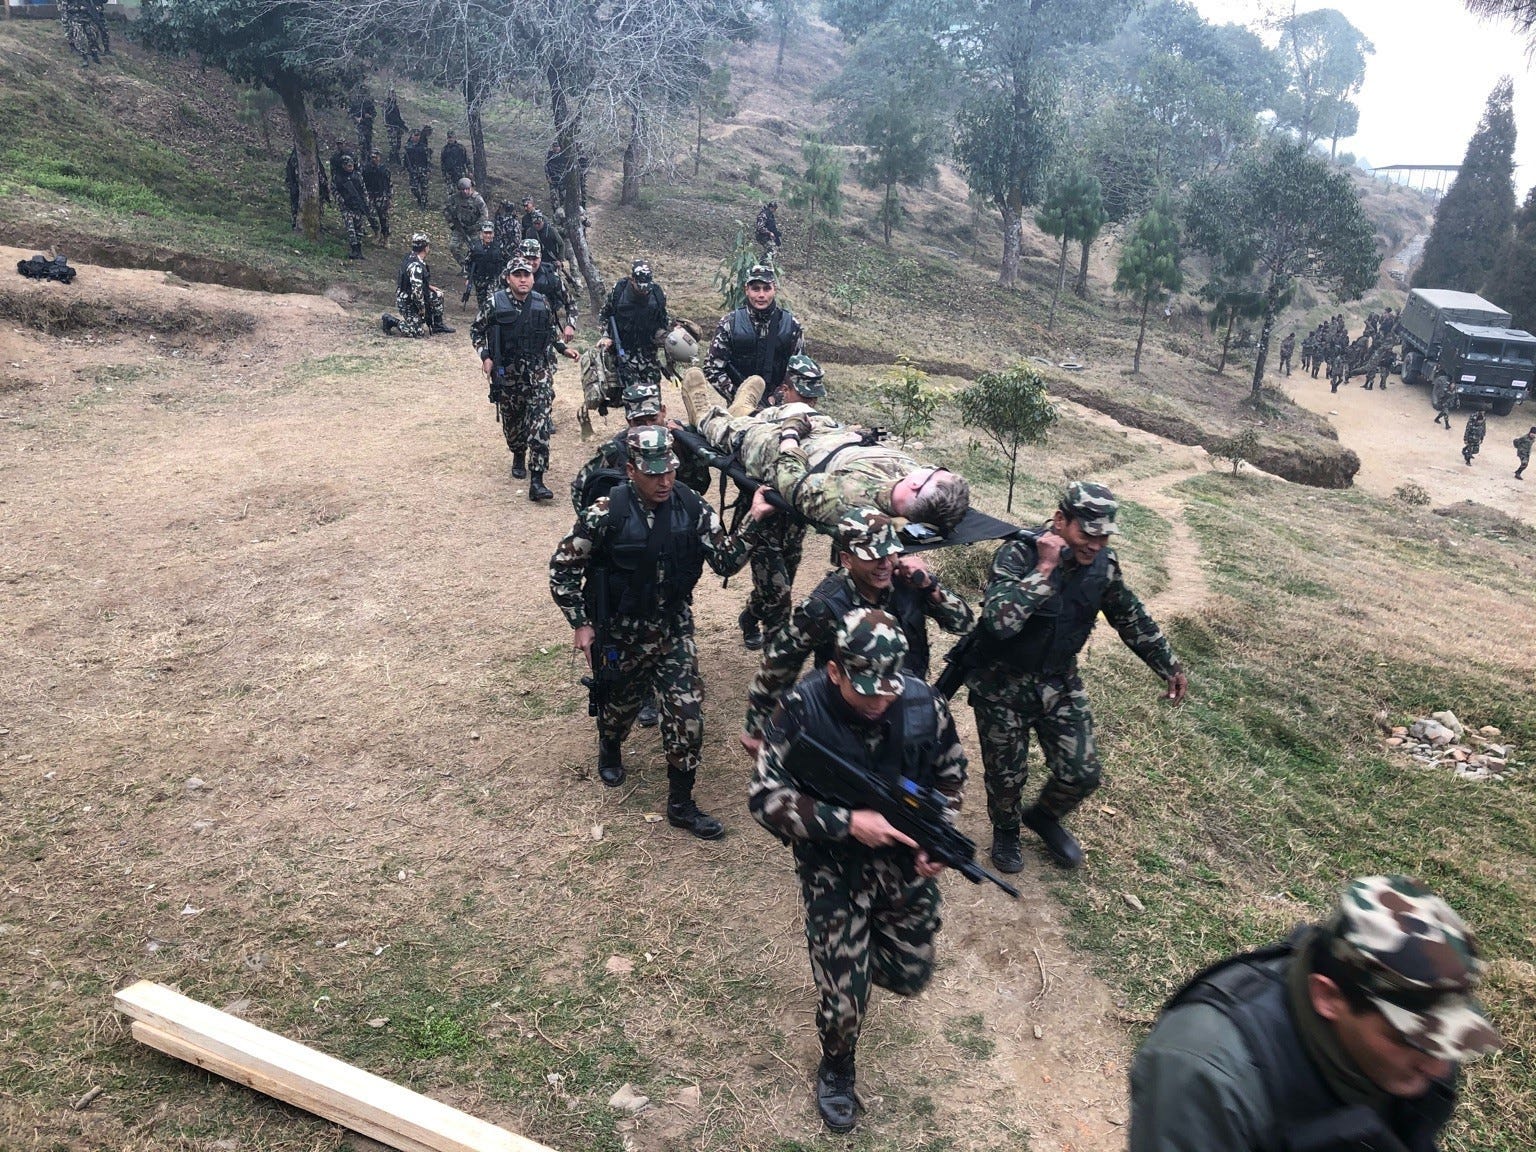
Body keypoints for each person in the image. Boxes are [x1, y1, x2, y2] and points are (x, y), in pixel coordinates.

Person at [750, 607, 967, 1133]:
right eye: (864, 688)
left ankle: (858, 960)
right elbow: (764, 799)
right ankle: (838, 1066)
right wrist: (845, 822)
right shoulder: (800, 709)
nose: (877, 702)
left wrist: (935, 842)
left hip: (900, 867)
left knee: (911, 974)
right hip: (833, 867)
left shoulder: (925, 706)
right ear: (834, 671)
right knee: (846, 997)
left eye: (887, 689)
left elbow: (950, 779)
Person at [1129, 875, 1502, 1152]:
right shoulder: (1204, 1072)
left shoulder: (1420, 1055)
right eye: (1409, 1038)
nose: (1439, 1068)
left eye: (1445, 1039)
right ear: (1327, 997)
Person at [550, 427, 776, 838]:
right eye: (653, 474)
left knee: (687, 717)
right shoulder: (606, 512)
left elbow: (726, 562)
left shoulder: (692, 507)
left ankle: (681, 803)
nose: (665, 481)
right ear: (631, 469)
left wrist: (754, 521)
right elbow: (562, 568)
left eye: (669, 471)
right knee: (618, 707)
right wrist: (581, 623)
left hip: (674, 631)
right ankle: (611, 743)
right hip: (619, 633)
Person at [965, 482, 1185, 873]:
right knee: (1006, 776)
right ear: (1061, 521)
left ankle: (1044, 817)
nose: (1095, 544)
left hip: (1058, 683)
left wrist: (1167, 664)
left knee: (1082, 772)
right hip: (1001, 685)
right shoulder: (1018, 554)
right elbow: (998, 623)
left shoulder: (1103, 565)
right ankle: (1007, 830)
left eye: (1103, 536)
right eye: (1087, 533)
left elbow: (1129, 615)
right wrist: (1045, 569)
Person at [742, 508, 973, 754]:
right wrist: (756, 728)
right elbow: (779, 664)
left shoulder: (908, 583)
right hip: (848, 717)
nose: (884, 564)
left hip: (903, 707)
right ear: (846, 559)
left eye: (889, 553)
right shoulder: (824, 607)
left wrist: (931, 587)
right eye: (872, 557)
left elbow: (963, 623)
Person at [568, 382, 710, 732]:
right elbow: (581, 487)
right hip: (623, 591)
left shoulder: (681, 444)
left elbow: (701, 484)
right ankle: (619, 728)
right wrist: (604, 531)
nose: (648, 424)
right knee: (618, 696)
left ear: (664, 413)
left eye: (653, 416)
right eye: (639, 419)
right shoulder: (614, 452)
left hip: (667, 582)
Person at [679, 370, 971, 535]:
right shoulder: (910, 480)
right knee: (803, 410)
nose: (930, 465)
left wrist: (790, 437)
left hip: (795, 453)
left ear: (918, 485)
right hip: (832, 438)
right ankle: (745, 409)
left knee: (749, 435)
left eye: (934, 470)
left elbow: (795, 487)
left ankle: (706, 415)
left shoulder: (852, 500)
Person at [728, 350, 817, 652]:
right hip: (763, 521)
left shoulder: (814, 426)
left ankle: (750, 616)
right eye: (803, 397)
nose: (810, 405)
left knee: (778, 589)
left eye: (814, 400)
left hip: (793, 526)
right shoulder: (765, 423)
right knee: (780, 600)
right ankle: (775, 672)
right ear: (785, 390)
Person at [470, 256, 579, 500]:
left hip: (538, 374)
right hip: (507, 375)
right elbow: (476, 331)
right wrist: (485, 356)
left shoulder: (542, 303)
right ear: (508, 278)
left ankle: (538, 480)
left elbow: (551, 332)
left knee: (540, 425)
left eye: (527, 275)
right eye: (517, 275)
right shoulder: (494, 303)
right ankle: (518, 453)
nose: (523, 279)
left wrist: (564, 349)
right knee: (513, 425)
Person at [703, 264, 805, 407]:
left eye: (766, 288)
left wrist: (776, 398)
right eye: (755, 289)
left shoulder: (791, 326)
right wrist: (738, 396)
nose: (761, 295)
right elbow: (712, 367)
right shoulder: (730, 323)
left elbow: (799, 371)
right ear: (747, 290)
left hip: (778, 409)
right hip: (739, 409)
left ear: (774, 289)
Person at [598, 261, 670, 389]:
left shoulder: (657, 294)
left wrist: (665, 336)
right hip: (624, 352)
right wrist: (605, 336)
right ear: (632, 280)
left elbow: (664, 321)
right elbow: (605, 315)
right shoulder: (619, 291)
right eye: (640, 287)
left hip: (649, 355)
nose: (644, 292)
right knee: (632, 395)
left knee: (652, 394)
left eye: (646, 289)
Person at [381, 233, 452, 338]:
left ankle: (438, 325)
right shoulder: (416, 265)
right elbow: (417, 293)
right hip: (408, 301)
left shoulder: (411, 257)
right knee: (417, 332)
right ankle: (391, 321)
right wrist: (422, 310)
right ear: (425, 247)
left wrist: (429, 287)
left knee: (437, 295)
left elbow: (415, 281)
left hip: (411, 295)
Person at [523, 238, 578, 343]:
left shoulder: (551, 277)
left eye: (534, 258)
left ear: (540, 258)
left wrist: (570, 325)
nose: (530, 263)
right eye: (527, 258)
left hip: (545, 334)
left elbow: (571, 304)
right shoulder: (508, 277)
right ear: (519, 257)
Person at [334, 154, 377, 261]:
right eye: (348, 165)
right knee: (350, 229)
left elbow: (363, 190)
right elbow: (334, 191)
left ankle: (359, 251)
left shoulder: (357, 176)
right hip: (347, 207)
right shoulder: (338, 177)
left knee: (359, 229)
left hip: (358, 206)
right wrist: (342, 200)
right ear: (343, 166)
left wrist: (366, 203)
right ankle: (353, 249)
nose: (350, 167)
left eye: (351, 165)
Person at [444, 177, 489, 274]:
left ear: (471, 188)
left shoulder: (477, 199)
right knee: (453, 247)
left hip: (474, 229)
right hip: (460, 228)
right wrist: (452, 224)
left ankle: (478, 270)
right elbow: (446, 209)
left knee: (477, 251)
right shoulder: (455, 198)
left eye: (467, 189)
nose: (465, 191)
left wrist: (475, 227)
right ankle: (465, 267)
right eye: (462, 189)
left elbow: (485, 216)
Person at [463, 222, 505, 313]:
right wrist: (468, 277)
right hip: (480, 280)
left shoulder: (499, 246)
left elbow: (504, 262)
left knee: (492, 300)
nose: (488, 235)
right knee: (482, 304)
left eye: (490, 233)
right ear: (481, 234)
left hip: (493, 279)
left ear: (493, 234)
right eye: (486, 233)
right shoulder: (475, 247)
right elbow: (468, 262)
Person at [361, 149, 393, 245]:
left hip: (382, 195)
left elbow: (389, 184)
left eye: (376, 157)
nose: (374, 159)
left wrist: (390, 197)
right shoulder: (366, 169)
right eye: (372, 157)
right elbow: (362, 182)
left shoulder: (384, 170)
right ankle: (376, 233)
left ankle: (386, 238)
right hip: (370, 195)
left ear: (379, 158)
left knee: (384, 217)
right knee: (370, 215)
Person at [404, 130, 432, 209]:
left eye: (418, 135)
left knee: (424, 188)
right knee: (414, 188)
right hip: (413, 171)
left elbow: (428, 159)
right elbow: (405, 159)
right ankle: (419, 199)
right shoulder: (408, 147)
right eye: (415, 135)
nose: (416, 137)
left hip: (423, 170)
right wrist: (406, 168)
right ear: (411, 136)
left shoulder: (423, 146)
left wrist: (428, 170)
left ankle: (424, 205)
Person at [350, 88, 376, 160]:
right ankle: (363, 158)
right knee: (362, 142)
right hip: (360, 126)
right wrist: (356, 118)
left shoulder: (369, 103)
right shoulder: (356, 103)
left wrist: (369, 116)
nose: (362, 96)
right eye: (361, 94)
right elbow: (351, 113)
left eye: (363, 94)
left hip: (368, 126)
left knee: (368, 142)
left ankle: (369, 158)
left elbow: (374, 113)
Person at [383, 88, 407, 165]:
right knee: (393, 144)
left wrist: (403, 125)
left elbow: (398, 117)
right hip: (391, 126)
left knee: (398, 144)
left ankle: (396, 158)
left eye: (394, 95)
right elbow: (388, 116)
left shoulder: (395, 105)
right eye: (392, 95)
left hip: (397, 127)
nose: (394, 96)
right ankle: (392, 159)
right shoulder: (387, 105)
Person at [284, 148, 301, 230]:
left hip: (295, 186)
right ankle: (295, 222)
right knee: (295, 205)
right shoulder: (295, 158)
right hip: (295, 186)